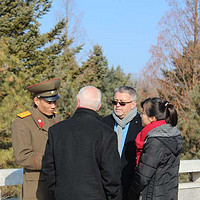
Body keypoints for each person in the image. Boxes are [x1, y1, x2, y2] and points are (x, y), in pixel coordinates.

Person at [42, 86, 121, 200]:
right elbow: (112, 174)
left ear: (78, 102)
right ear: (99, 106)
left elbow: (48, 169)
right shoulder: (106, 133)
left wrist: (55, 192)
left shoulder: (56, 130)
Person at [11, 78, 61, 200]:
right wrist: (52, 161)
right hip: (37, 188)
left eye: (55, 102)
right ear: (36, 100)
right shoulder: (22, 122)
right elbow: (23, 156)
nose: (53, 106)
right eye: (49, 102)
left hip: (57, 186)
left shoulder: (56, 120)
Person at [129, 97, 182, 200]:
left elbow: (143, 176)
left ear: (152, 118)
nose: (140, 116)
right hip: (168, 194)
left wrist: (131, 193)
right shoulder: (171, 135)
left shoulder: (156, 140)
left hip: (151, 195)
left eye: (143, 113)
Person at [102, 86, 143, 200]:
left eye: (122, 103)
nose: (118, 105)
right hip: (107, 184)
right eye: (115, 102)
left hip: (131, 185)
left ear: (133, 104)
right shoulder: (104, 123)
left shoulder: (141, 125)